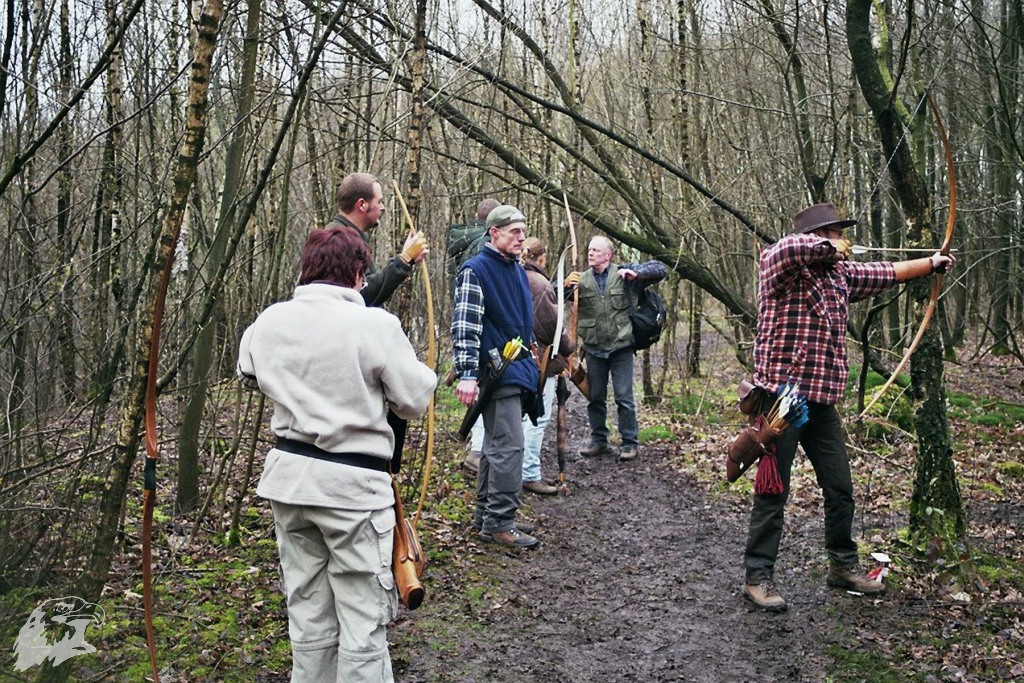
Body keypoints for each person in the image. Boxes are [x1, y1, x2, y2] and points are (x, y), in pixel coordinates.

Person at [237, 225, 437, 680]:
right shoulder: (373, 324)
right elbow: (414, 399)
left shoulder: (269, 320)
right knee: (363, 622)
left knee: (308, 614)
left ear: (307, 270)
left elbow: (247, 370)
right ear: (357, 274)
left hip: (290, 486)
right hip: (352, 493)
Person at [741, 202, 955, 612]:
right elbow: (784, 250)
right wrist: (828, 248)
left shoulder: (839, 275)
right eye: (836, 231)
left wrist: (932, 263)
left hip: (820, 403)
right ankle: (758, 577)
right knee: (774, 491)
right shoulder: (783, 268)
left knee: (840, 488)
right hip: (779, 402)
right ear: (819, 237)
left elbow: (887, 273)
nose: (843, 238)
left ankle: (841, 565)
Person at [452, 204, 541, 548]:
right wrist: (467, 374)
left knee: (495, 447)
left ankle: (487, 517)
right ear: (494, 233)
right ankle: (501, 522)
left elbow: (521, 322)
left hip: (516, 368)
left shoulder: (515, 269)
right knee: (510, 447)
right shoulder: (476, 269)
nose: (521, 238)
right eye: (514, 232)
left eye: (523, 231)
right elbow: (465, 325)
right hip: (495, 371)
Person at [565, 235, 667, 462]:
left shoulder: (625, 274)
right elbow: (550, 294)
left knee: (624, 397)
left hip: (621, 347)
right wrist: (564, 286)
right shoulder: (579, 280)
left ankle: (629, 443)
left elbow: (660, 269)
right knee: (596, 397)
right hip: (594, 349)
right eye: (589, 249)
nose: (590, 253)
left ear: (608, 255)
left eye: (596, 250)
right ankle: (599, 440)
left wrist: (637, 273)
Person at [446, 197, 501, 474]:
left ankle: (477, 449)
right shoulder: (481, 248)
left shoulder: (463, 241)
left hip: (468, 322)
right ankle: (478, 452)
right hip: (480, 326)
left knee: (482, 383)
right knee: (484, 385)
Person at [520, 237, 575, 495]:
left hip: (522, 358)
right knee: (537, 418)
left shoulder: (516, 275)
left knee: (522, 417)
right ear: (541, 258)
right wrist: (568, 345)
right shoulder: (538, 283)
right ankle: (529, 473)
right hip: (540, 359)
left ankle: (520, 471)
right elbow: (552, 326)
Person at [327, 172, 428, 307]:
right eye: (379, 202)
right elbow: (360, 297)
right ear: (362, 205)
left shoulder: (347, 236)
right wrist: (404, 260)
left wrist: (406, 259)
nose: (383, 208)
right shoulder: (337, 240)